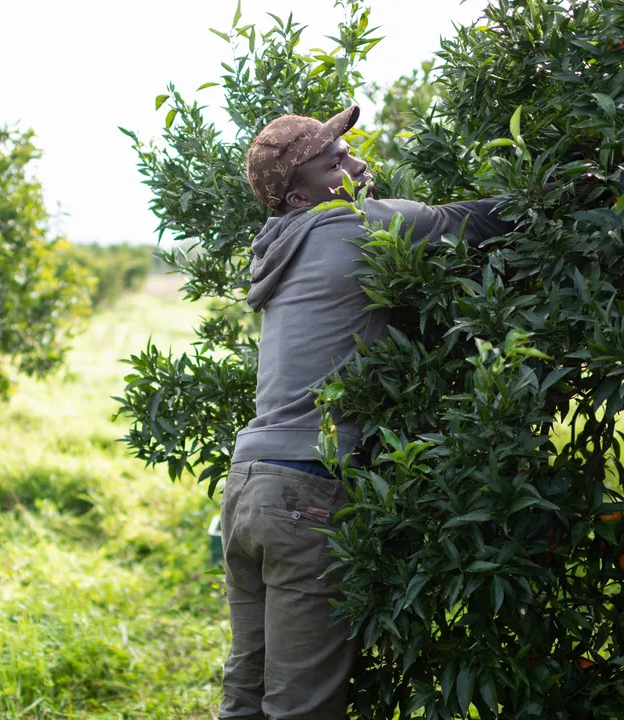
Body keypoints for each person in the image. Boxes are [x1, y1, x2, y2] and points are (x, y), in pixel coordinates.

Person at [221, 106, 519, 720]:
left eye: (348, 151)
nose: (358, 165)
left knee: (245, 698)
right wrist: (574, 186)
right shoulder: (346, 225)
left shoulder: (280, 245)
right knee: (300, 709)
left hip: (248, 486)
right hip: (306, 489)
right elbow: (464, 222)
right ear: (300, 195)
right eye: (336, 163)